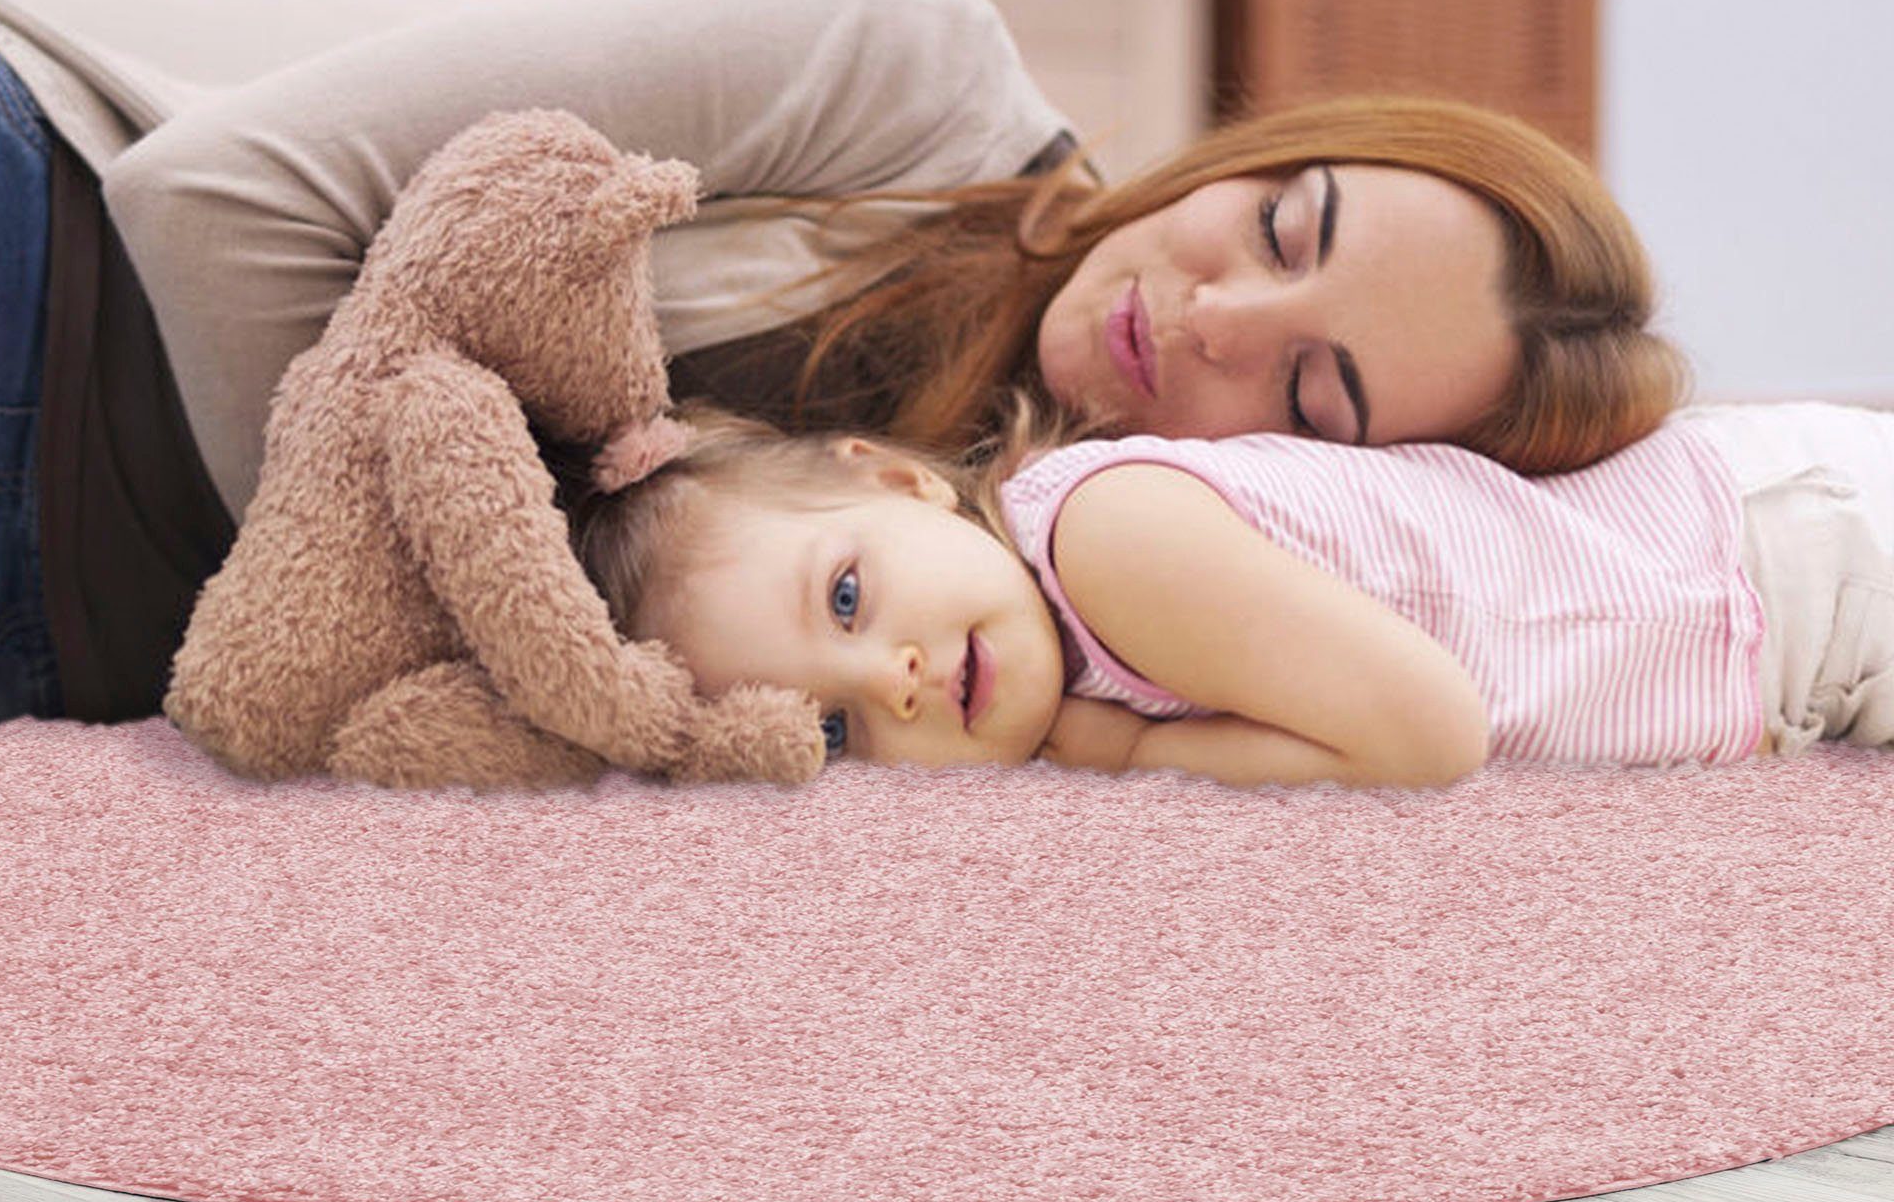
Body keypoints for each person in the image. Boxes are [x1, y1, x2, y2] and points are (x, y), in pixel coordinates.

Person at [0, 0, 1685, 740]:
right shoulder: (904, 68)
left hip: (32, 652)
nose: (1204, 312)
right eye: (1283, 224)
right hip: (7, 257)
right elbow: (217, 209)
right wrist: (484, 577)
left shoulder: (1022, 619)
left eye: (1306, 392)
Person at [563, 394, 1894, 788]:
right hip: (1781, 659)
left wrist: (1138, 750)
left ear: (902, 483)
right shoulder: (1064, 626)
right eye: (840, 729)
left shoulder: (1109, 541)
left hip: (1794, 564)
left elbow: (1430, 734)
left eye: (847, 601)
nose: (888, 678)